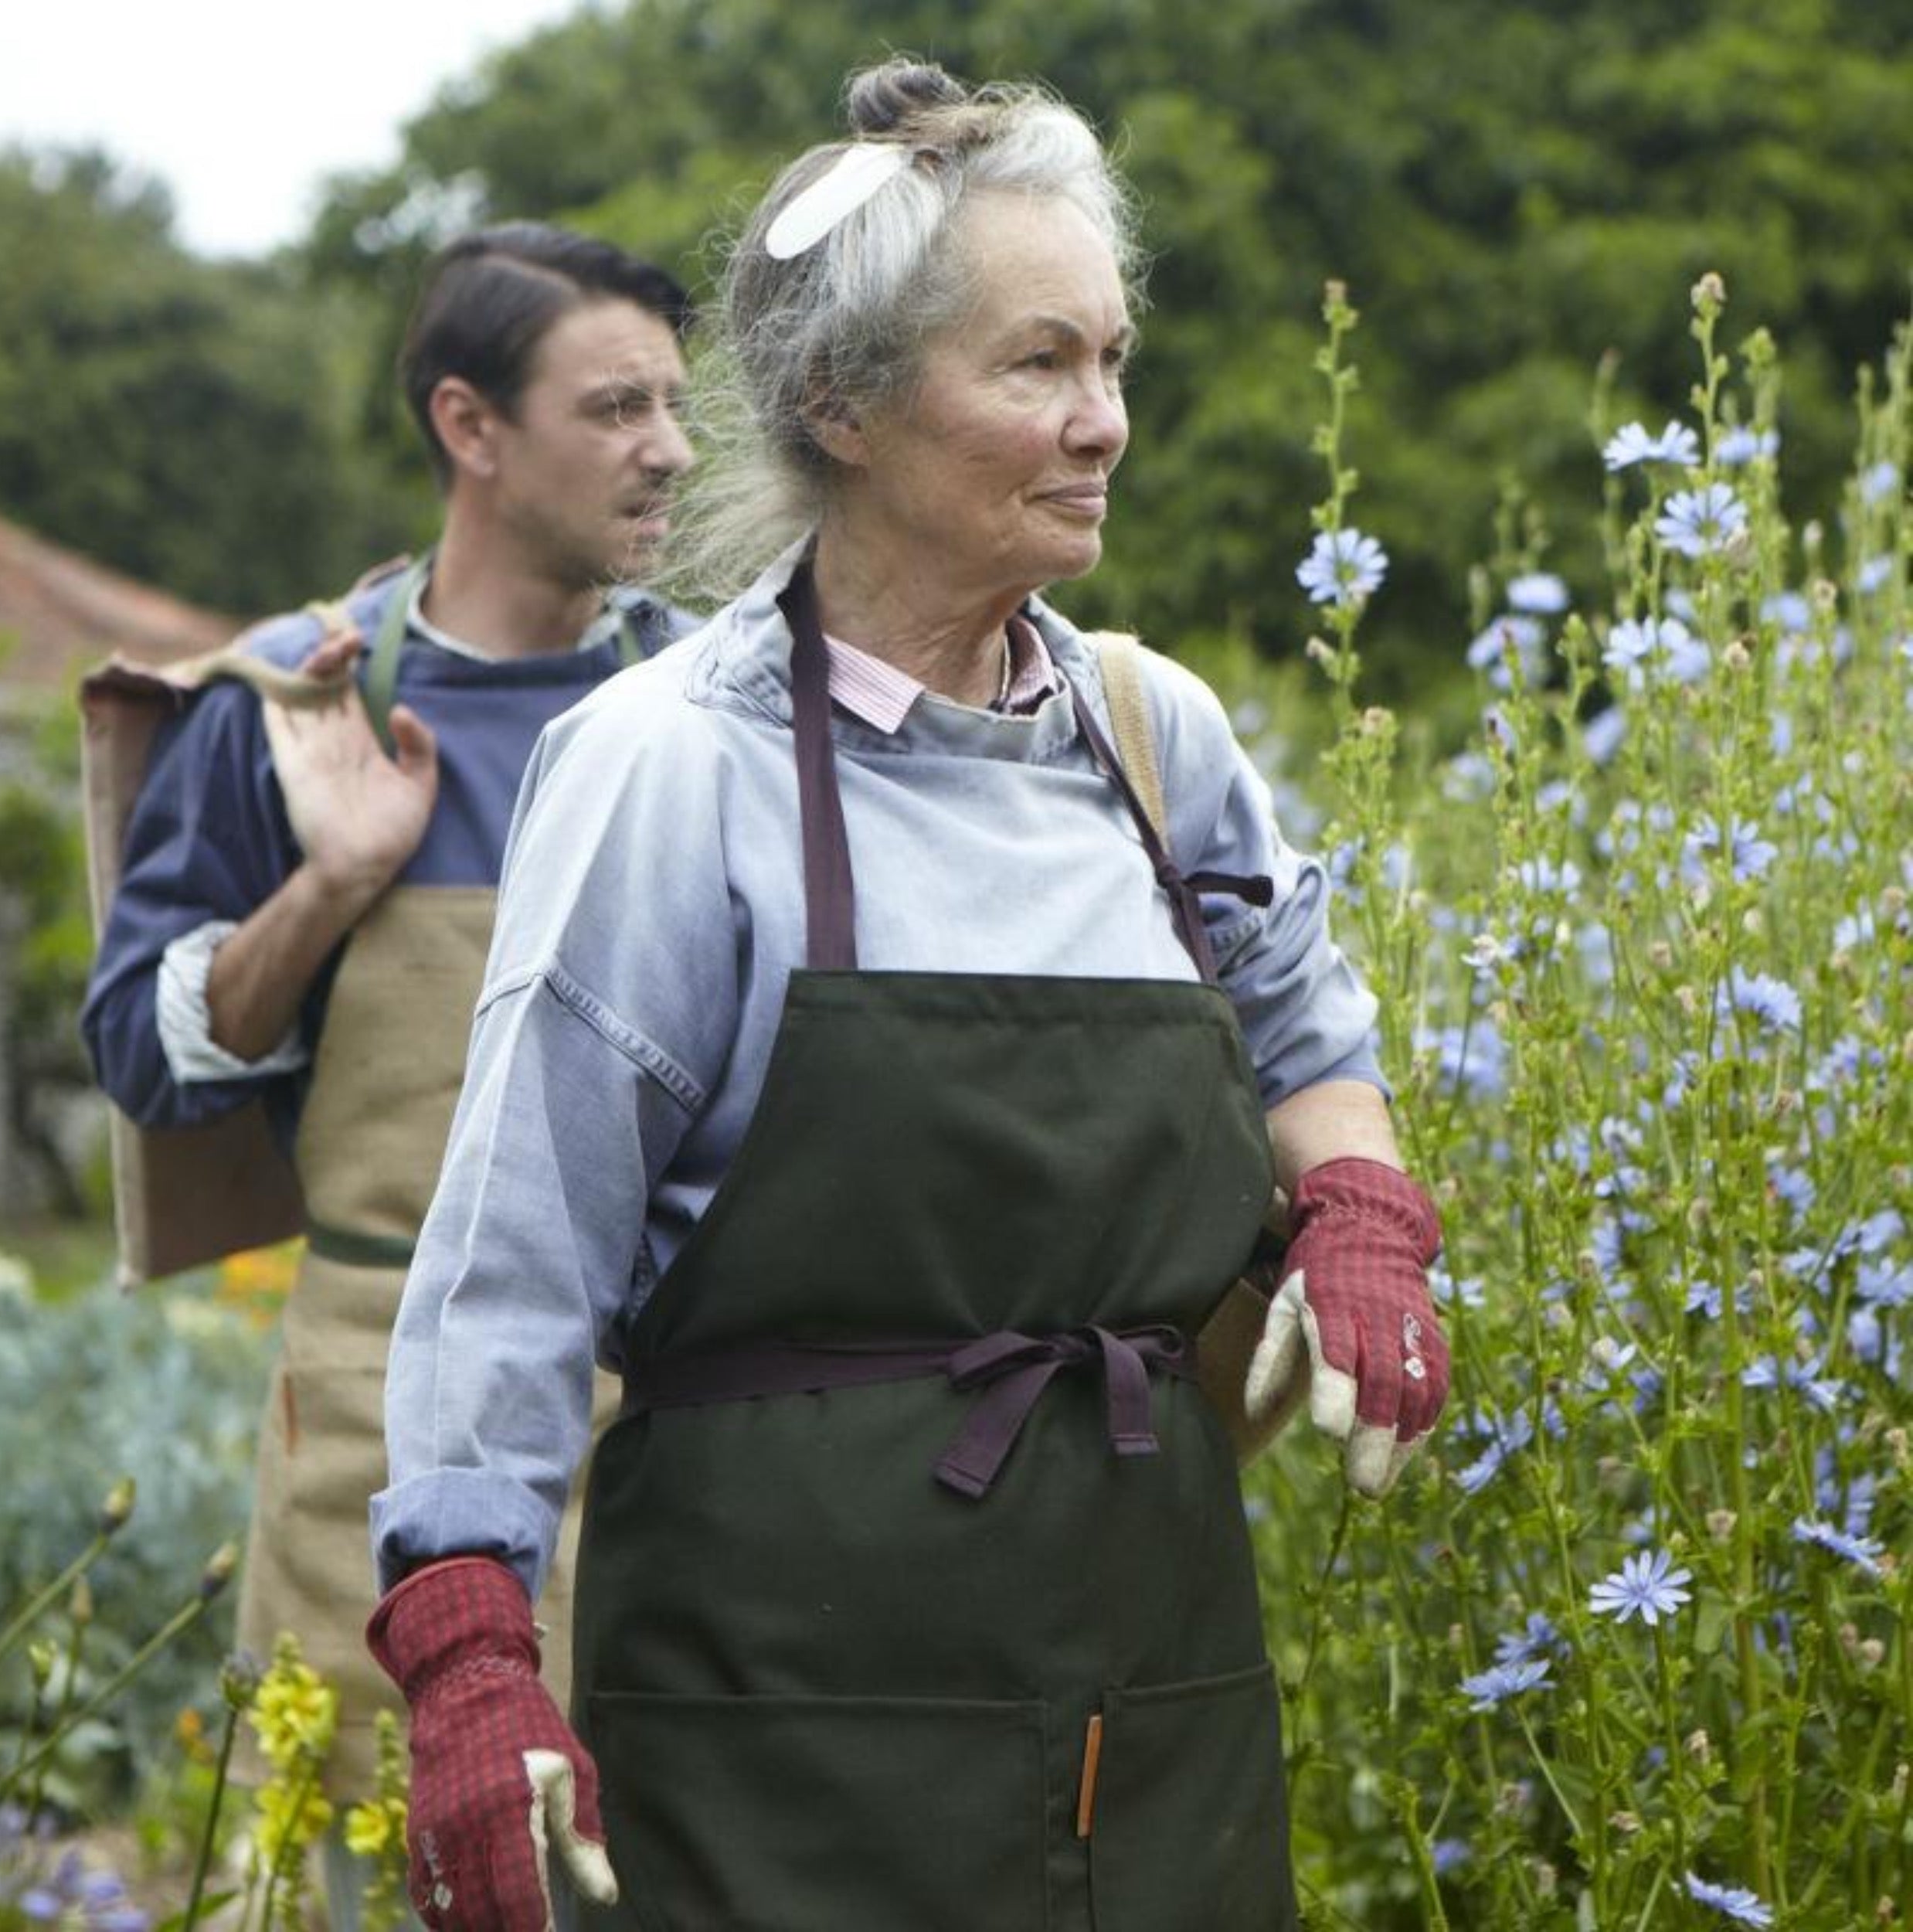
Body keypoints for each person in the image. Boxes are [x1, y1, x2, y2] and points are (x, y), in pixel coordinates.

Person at [366, 63, 1449, 1932]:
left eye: (1111, 359)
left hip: (1151, 1703)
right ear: (840, 405)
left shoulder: (1145, 734)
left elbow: (1309, 1040)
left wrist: (1360, 1211)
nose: (1103, 421)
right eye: (1035, 365)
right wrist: (471, 1647)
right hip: (775, 1732)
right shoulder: (667, 771)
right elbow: (515, 1250)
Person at [80, 223, 695, 1913]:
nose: (668, 447)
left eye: (673, 403)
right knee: (373, 1875)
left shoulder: (711, 709)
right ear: (469, 426)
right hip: (378, 1427)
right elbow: (146, 1052)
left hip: (679, 1433)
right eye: (615, 405)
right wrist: (336, 877)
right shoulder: (295, 709)